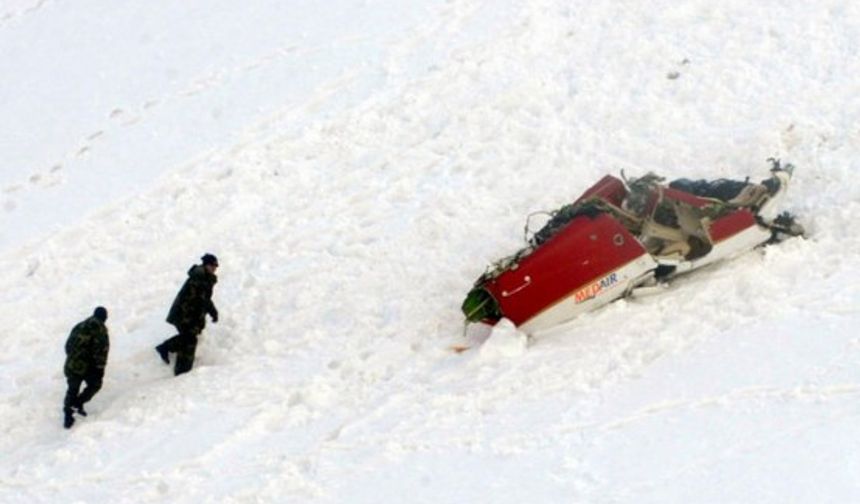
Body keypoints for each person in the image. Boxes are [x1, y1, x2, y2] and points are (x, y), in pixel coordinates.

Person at [155, 253, 219, 376]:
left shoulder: (205, 278)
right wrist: (189, 320)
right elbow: (190, 301)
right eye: (212, 265)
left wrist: (213, 312)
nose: (215, 268)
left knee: (188, 339)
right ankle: (182, 372)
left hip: (190, 316)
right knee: (189, 340)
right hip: (184, 315)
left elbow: (205, 299)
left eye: (216, 266)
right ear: (206, 265)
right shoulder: (198, 278)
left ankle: (165, 348)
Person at [63, 306, 110, 429]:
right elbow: (102, 351)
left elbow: (68, 345)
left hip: (71, 364)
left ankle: (68, 416)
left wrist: (74, 357)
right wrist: (99, 369)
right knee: (95, 384)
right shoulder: (100, 329)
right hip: (87, 366)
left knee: (72, 389)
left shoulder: (80, 325)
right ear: (104, 318)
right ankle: (78, 403)